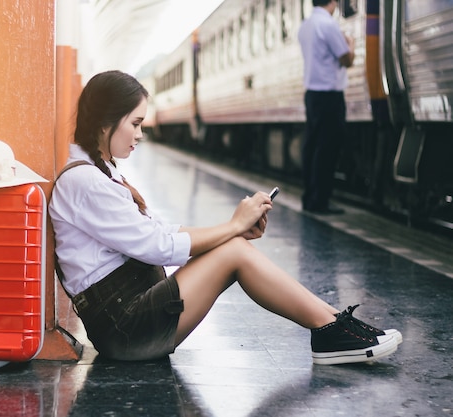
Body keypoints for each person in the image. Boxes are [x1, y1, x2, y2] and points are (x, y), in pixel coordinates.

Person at [49, 70, 401, 365]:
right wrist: (232, 227)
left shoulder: (99, 173)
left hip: (129, 317)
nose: (141, 134)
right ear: (106, 122)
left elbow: (158, 231)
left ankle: (333, 323)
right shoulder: (84, 181)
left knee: (233, 246)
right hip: (125, 329)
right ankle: (330, 331)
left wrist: (233, 231)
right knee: (233, 251)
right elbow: (156, 247)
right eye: (136, 123)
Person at [298, 0, 355, 214]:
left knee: (312, 147)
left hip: (312, 94)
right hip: (329, 95)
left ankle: (309, 198)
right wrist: (351, 43)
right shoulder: (328, 25)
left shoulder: (305, 25)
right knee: (327, 148)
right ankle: (320, 201)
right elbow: (346, 59)